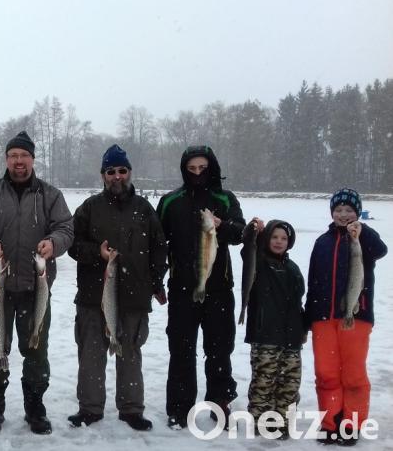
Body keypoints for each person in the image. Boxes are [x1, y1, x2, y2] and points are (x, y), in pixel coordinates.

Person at [0, 130, 73, 435]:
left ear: (33, 159)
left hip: (35, 290)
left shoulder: (50, 195)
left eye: (24, 155)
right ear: (6, 159)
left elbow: (66, 228)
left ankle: (35, 407)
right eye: (13, 155)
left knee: (36, 351)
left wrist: (54, 242)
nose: (19, 161)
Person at [67, 145, 167, 431]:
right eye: (111, 171)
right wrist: (95, 253)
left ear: (129, 173)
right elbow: (72, 245)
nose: (117, 176)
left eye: (122, 171)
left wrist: (156, 282)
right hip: (93, 296)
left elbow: (159, 248)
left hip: (135, 297)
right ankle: (90, 408)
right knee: (90, 355)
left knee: (130, 354)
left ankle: (132, 409)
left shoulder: (144, 209)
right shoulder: (89, 208)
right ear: (103, 175)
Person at [156, 145, 245, 429]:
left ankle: (220, 402)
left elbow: (240, 233)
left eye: (202, 168)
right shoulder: (171, 201)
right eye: (192, 169)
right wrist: (156, 280)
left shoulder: (225, 198)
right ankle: (180, 407)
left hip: (219, 289)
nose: (197, 173)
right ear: (185, 170)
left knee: (219, 349)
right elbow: (157, 243)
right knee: (181, 349)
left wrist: (222, 225)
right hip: (181, 289)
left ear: (211, 168)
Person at [304, 188, 387, 446]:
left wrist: (363, 232)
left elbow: (381, 250)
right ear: (332, 212)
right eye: (338, 210)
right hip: (323, 318)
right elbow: (313, 281)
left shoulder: (364, 239)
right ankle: (330, 424)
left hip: (356, 316)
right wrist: (308, 316)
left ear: (357, 212)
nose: (343, 214)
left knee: (353, 374)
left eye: (349, 210)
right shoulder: (322, 242)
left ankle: (351, 424)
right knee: (326, 373)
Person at [242, 219, 305, 438]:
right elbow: (247, 246)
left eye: (284, 238)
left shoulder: (293, 268)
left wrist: (303, 328)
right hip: (265, 335)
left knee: (290, 382)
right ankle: (261, 422)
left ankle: (283, 422)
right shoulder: (258, 261)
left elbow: (298, 301)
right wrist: (254, 230)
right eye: (274, 237)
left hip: (291, 336)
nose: (279, 242)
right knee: (264, 381)